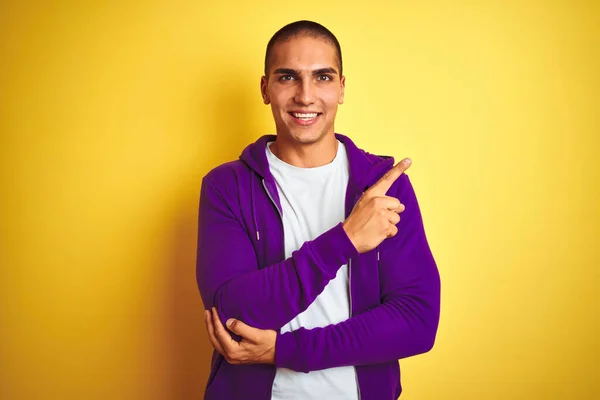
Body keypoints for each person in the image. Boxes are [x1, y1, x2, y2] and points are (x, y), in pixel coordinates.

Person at [196, 20, 441, 400]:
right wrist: (343, 241)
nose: (305, 96)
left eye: (323, 77)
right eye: (288, 77)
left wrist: (284, 351)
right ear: (265, 89)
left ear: (342, 88)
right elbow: (234, 315)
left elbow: (417, 322)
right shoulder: (226, 186)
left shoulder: (382, 186)